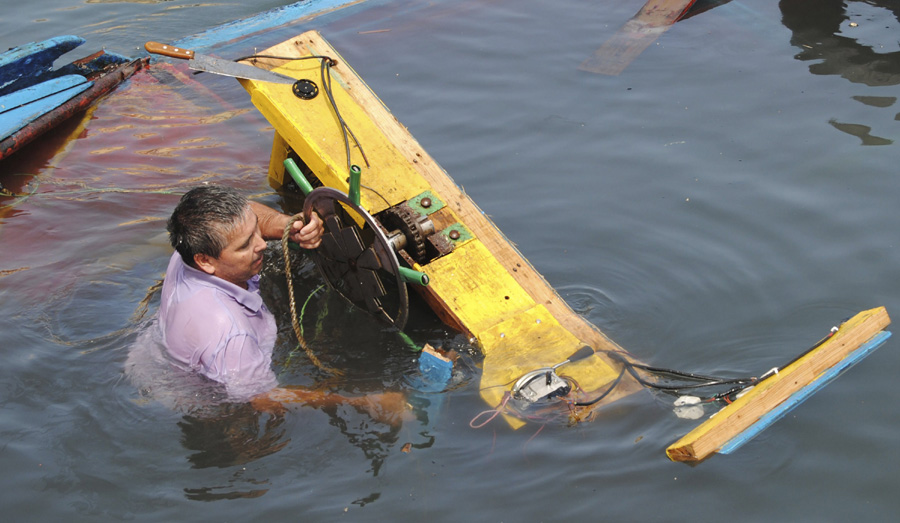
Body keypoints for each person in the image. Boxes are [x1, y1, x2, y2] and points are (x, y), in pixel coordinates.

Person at [158, 184, 408, 423]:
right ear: (205, 261)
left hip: (166, 350)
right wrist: (363, 402)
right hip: (208, 399)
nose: (263, 243)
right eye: (245, 245)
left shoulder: (188, 251)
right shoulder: (231, 334)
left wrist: (288, 226)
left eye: (256, 230)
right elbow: (262, 400)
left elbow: (247, 211)